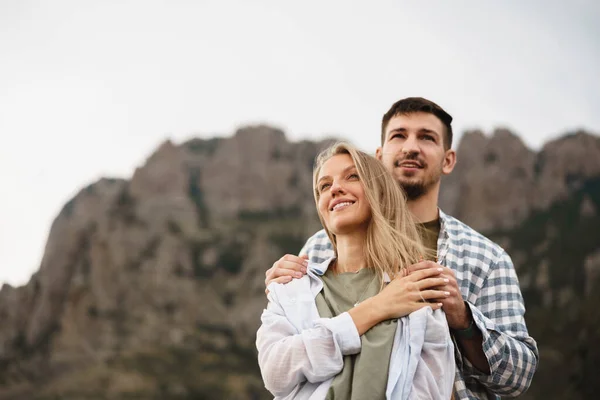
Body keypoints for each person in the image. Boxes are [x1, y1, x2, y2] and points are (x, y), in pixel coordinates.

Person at [264, 97, 539, 399]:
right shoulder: (319, 248)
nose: (411, 147)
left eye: (426, 137)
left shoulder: (487, 257)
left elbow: (519, 375)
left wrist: (461, 317)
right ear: (379, 156)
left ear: (448, 159)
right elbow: (286, 360)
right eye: (399, 135)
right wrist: (281, 289)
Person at [257, 142, 456, 399]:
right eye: (324, 186)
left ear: (380, 193)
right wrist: (378, 307)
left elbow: (434, 389)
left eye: (352, 176)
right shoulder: (292, 286)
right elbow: (275, 373)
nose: (336, 189)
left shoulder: (416, 287)